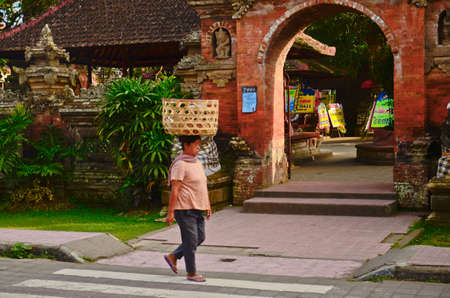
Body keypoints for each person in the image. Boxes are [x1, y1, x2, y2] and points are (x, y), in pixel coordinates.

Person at [164, 135, 212, 282]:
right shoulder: (180, 164)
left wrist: (208, 205)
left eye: (199, 145)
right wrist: (170, 212)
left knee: (200, 237)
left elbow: (202, 185)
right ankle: (191, 273)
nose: (198, 147)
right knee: (190, 241)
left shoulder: (197, 162)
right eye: (195, 145)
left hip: (197, 207)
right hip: (184, 209)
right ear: (186, 145)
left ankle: (174, 256)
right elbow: (175, 189)